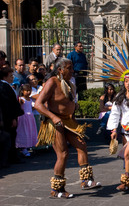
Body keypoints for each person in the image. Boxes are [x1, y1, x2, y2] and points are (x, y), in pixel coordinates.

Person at [34, 58, 101, 198]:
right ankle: (57, 189)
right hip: (55, 123)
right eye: (69, 68)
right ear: (60, 70)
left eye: (72, 68)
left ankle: (86, 180)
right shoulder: (52, 82)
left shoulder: (69, 84)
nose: (72, 71)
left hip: (69, 121)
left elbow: (68, 102)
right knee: (63, 154)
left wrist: (73, 107)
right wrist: (53, 117)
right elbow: (38, 104)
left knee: (81, 145)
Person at [0, 66, 24, 164]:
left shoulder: (9, 86)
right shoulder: (4, 87)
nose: (12, 78)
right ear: (4, 77)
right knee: (10, 137)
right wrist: (13, 118)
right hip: (8, 118)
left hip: (10, 117)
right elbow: (9, 104)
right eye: (10, 76)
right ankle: (10, 158)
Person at [16, 84, 38, 157]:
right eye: (27, 91)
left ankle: (28, 146)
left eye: (30, 91)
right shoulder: (21, 99)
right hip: (23, 118)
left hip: (30, 117)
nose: (28, 92)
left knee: (29, 132)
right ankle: (23, 148)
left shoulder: (30, 99)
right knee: (23, 132)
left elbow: (32, 107)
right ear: (22, 91)